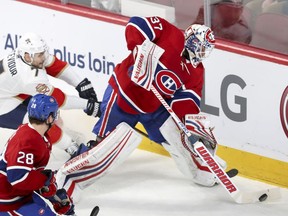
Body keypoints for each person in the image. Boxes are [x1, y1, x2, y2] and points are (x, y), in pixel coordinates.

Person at [89, 16, 227, 187]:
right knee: (102, 144)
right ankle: (78, 172)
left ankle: (201, 170)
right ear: (190, 40)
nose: (202, 52)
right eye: (201, 46)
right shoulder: (170, 33)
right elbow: (136, 24)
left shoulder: (196, 71)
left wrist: (190, 129)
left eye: (206, 49)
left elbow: (186, 104)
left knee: (176, 139)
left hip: (153, 108)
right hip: (124, 92)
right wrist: (138, 50)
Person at [0, 32, 100, 158]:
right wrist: (90, 105)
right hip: (3, 108)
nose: (43, 57)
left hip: (10, 92)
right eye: (40, 55)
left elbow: (55, 65)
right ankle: (72, 148)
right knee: (41, 121)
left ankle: (66, 135)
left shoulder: (29, 55)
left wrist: (81, 84)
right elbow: (58, 100)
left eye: (43, 52)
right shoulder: (28, 78)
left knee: (51, 115)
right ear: (26, 56)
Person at [0, 94, 75, 215]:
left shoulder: (37, 135)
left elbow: (28, 172)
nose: (56, 118)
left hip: (19, 194)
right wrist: (44, 181)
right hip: (6, 200)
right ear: (49, 118)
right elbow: (17, 177)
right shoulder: (26, 141)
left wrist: (51, 192)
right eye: (54, 114)